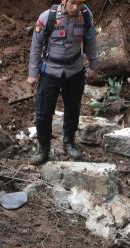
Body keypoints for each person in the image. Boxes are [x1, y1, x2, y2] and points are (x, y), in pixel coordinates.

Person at [28, 0, 98, 165]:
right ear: (63, 1)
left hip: (75, 70)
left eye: (79, 4)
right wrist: (33, 73)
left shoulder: (86, 16)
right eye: (72, 3)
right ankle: (43, 148)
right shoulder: (48, 17)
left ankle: (69, 141)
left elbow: (91, 40)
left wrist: (94, 65)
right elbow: (36, 46)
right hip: (50, 70)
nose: (75, 8)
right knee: (43, 112)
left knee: (73, 108)